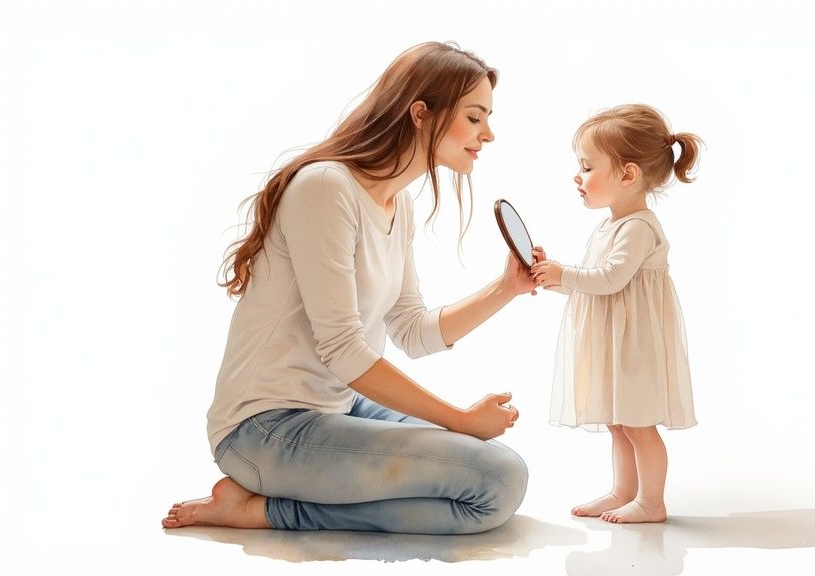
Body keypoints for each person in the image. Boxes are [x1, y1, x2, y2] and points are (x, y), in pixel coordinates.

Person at [162, 42, 536, 535]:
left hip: (336, 405)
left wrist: (506, 288)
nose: (488, 133)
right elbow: (343, 349)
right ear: (420, 113)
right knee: (495, 479)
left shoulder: (397, 206)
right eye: (474, 117)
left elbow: (412, 330)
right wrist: (460, 420)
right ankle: (262, 510)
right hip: (264, 430)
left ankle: (278, 500)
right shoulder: (325, 187)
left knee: (497, 474)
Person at [530, 104, 701, 524]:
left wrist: (564, 274)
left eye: (587, 167)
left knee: (638, 424)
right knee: (619, 423)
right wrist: (553, 276)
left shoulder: (639, 227)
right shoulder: (612, 225)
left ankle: (652, 502)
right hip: (616, 342)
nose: (578, 176)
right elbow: (596, 282)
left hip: (634, 346)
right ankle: (623, 491)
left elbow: (609, 279)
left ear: (627, 174)